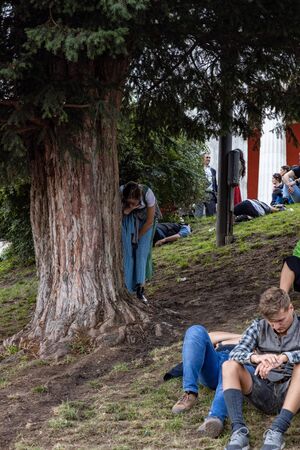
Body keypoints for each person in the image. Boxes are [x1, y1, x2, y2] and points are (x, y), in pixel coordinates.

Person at [222, 287, 300, 450]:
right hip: (264, 389)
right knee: (229, 365)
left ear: (291, 308)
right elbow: (236, 352)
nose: (276, 326)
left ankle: (278, 428)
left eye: (280, 320)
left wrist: (284, 357)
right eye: (271, 322)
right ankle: (239, 432)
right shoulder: (258, 326)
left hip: (293, 392)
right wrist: (257, 358)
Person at [171, 326, 245, 438]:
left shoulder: (260, 340)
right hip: (214, 361)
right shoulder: (242, 336)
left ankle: (214, 419)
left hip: (238, 363)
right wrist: (242, 336)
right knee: (195, 330)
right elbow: (210, 336)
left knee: (229, 368)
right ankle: (190, 393)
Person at [121, 181, 159, 303]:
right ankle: (128, 285)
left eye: (134, 202)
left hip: (147, 223)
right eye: (129, 201)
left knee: (141, 253)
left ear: (139, 198)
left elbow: (149, 222)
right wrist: (127, 210)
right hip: (131, 219)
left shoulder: (148, 194)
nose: (131, 203)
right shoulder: (121, 190)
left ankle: (140, 289)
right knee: (128, 252)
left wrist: (138, 237)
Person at [194, 153, 218, 217]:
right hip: (200, 193)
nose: (208, 159)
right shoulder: (197, 169)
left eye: (209, 157)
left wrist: (217, 193)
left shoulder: (213, 170)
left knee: (212, 214)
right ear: (202, 159)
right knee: (198, 214)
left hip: (210, 193)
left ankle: (212, 227)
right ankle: (197, 226)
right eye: (207, 157)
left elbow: (215, 183)